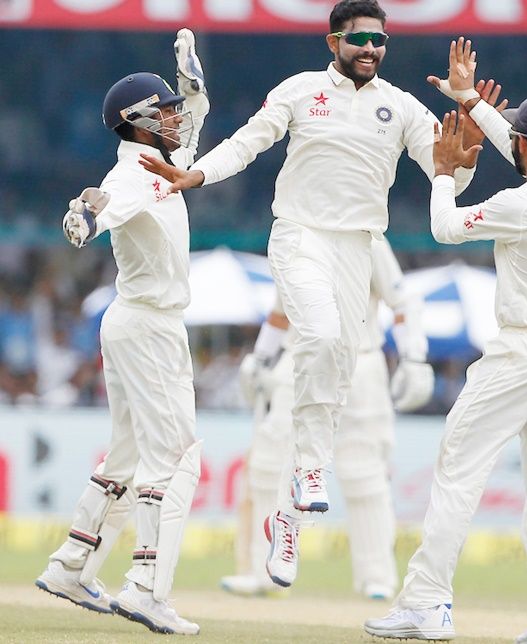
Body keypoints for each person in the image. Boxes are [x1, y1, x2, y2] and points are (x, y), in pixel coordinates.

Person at [138, 0, 479, 587]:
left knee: (336, 369)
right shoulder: (299, 91)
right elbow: (248, 143)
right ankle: (306, 476)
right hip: (298, 234)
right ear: (333, 43)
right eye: (359, 39)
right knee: (317, 336)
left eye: (379, 40)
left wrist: (465, 163)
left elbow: (446, 170)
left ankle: (291, 514)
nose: (370, 49)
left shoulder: (399, 106)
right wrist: (196, 176)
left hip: (359, 247)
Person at [365, 37, 527, 642]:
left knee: (459, 464)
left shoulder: (521, 202)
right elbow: (519, 146)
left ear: (525, 144)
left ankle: (428, 603)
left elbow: (445, 228)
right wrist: (468, 100)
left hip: (525, 349)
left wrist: (446, 174)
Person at [35, 29, 210, 636]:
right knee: (178, 458)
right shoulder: (132, 175)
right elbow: (100, 207)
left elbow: (195, 116)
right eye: (163, 113)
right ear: (137, 122)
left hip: (141, 323)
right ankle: (145, 587)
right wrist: (83, 213)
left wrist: (189, 81)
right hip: (147, 326)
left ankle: (71, 564)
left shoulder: (167, 162)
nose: (175, 121)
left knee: (131, 455)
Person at [221, 236, 434, 598]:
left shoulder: (368, 238)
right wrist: (260, 357)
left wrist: (414, 356)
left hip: (361, 360)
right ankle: (262, 571)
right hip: (298, 362)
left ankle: (376, 577)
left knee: (364, 471)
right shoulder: (293, 236)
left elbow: (402, 302)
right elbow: (280, 312)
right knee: (269, 463)